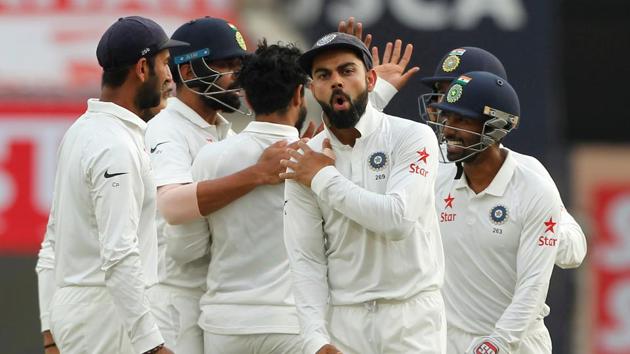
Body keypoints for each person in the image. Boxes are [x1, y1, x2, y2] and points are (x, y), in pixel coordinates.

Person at [281, 32, 446, 354]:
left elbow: (397, 220)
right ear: (312, 88)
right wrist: (315, 339)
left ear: (370, 79)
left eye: (347, 71)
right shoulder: (305, 159)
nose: (336, 82)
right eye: (323, 75)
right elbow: (306, 258)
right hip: (345, 323)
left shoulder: (411, 137)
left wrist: (323, 177)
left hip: (412, 318)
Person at [35, 16, 187, 354]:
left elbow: (51, 243)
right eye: (164, 64)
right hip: (108, 318)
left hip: (84, 314)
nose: (169, 77)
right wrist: (152, 343)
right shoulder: (114, 146)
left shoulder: (81, 131)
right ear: (142, 68)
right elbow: (119, 253)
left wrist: (49, 330)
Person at [143, 17, 290, 353]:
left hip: (212, 301)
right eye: (226, 65)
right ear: (190, 72)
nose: (238, 78)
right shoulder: (166, 129)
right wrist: (257, 174)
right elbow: (173, 206)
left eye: (241, 65)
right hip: (172, 302)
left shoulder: (224, 130)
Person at [417, 47, 586, 269]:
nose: (440, 104)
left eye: (454, 93)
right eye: (441, 93)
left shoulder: (526, 173)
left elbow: (573, 251)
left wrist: (526, 223)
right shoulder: (421, 158)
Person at [430, 71, 562, 354]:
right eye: (447, 118)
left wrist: (497, 343)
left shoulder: (534, 189)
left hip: (517, 344)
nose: (449, 130)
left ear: (496, 127)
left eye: (462, 120)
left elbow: (533, 286)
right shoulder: (435, 176)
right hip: (449, 342)